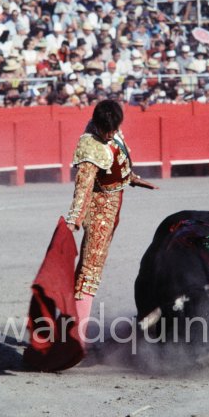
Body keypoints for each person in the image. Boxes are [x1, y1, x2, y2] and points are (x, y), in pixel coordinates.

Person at [65, 99, 157, 339]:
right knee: (89, 271)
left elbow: (117, 160)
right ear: (98, 125)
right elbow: (83, 187)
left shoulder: (110, 128)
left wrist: (132, 179)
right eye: (107, 130)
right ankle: (76, 338)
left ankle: (72, 327)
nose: (111, 134)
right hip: (98, 209)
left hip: (112, 204)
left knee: (91, 269)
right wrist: (74, 218)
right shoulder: (90, 146)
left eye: (114, 129)